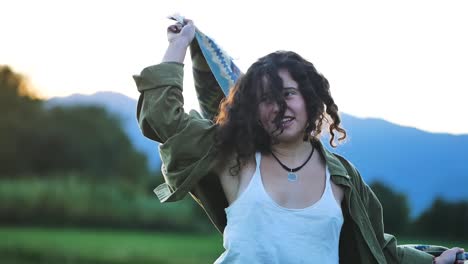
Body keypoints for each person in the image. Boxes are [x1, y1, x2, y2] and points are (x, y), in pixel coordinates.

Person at [134, 18, 465, 264]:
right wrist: (178, 45)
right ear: (254, 110)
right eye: (267, 99)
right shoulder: (233, 159)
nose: (280, 106)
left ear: (309, 99)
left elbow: (378, 247)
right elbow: (163, 119)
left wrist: (434, 261)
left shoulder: (343, 177)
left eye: (288, 94)